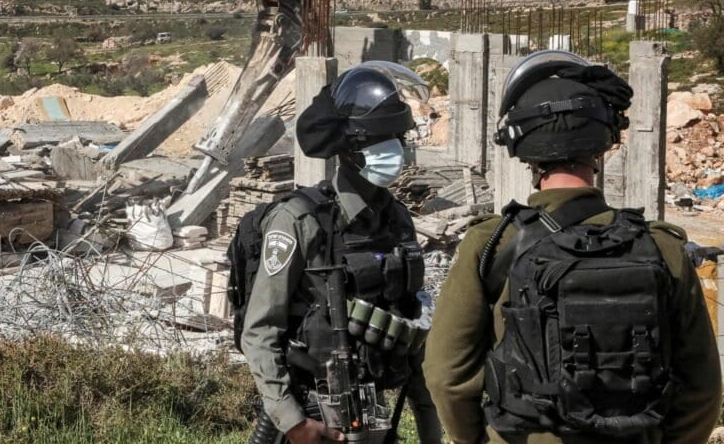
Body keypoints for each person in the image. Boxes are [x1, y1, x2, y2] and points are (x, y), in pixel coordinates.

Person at [424, 50, 721, 444]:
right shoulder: (662, 248)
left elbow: (447, 376)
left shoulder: (492, 244)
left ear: (523, 150)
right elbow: (702, 389)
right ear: (601, 144)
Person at [241, 62, 443, 444]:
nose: (397, 151)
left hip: (375, 418)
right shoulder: (299, 220)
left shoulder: (396, 219)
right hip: (312, 417)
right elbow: (261, 330)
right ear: (353, 149)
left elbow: (411, 331)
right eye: (385, 141)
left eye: (400, 138)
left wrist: (431, 431)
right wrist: (294, 423)